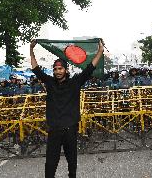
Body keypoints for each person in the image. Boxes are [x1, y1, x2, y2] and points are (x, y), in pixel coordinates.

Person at [30, 39, 104, 178]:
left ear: (66, 69)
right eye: (55, 69)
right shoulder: (50, 83)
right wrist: (31, 49)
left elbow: (90, 68)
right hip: (54, 130)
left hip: (70, 130)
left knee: (72, 163)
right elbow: (35, 69)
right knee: (50, 164)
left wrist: (100, 50)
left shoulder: (75, 82)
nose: (57, 71)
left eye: (60, 68)